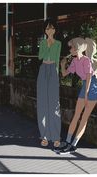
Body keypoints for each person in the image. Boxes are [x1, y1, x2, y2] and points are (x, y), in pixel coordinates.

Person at [55, 37, 97, 154]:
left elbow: (89, 76)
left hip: (93, 88)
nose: (70, 49)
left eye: (71, 47)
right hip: (85, 86)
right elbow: (65, 74)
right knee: (76, 116)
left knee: (83, 118)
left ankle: (73, 144)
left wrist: (86, 94)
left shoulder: (86, 60)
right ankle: (67, 142)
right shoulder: (75, 61)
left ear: (77, 48)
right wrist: (62, 65)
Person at [37, 18, 62, 148]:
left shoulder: (58, 43)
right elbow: (41, 57)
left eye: (51, 28)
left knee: (54, 103)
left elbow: (56, 59)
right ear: (45, 30)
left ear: (55, 29)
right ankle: (44, 136)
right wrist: (47, 44)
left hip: (53, 70)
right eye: (47, 28)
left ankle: (56, 136)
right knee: (42, 103)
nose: (49, 30)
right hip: (43, 70)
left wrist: (56, 75)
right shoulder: (42, 43)